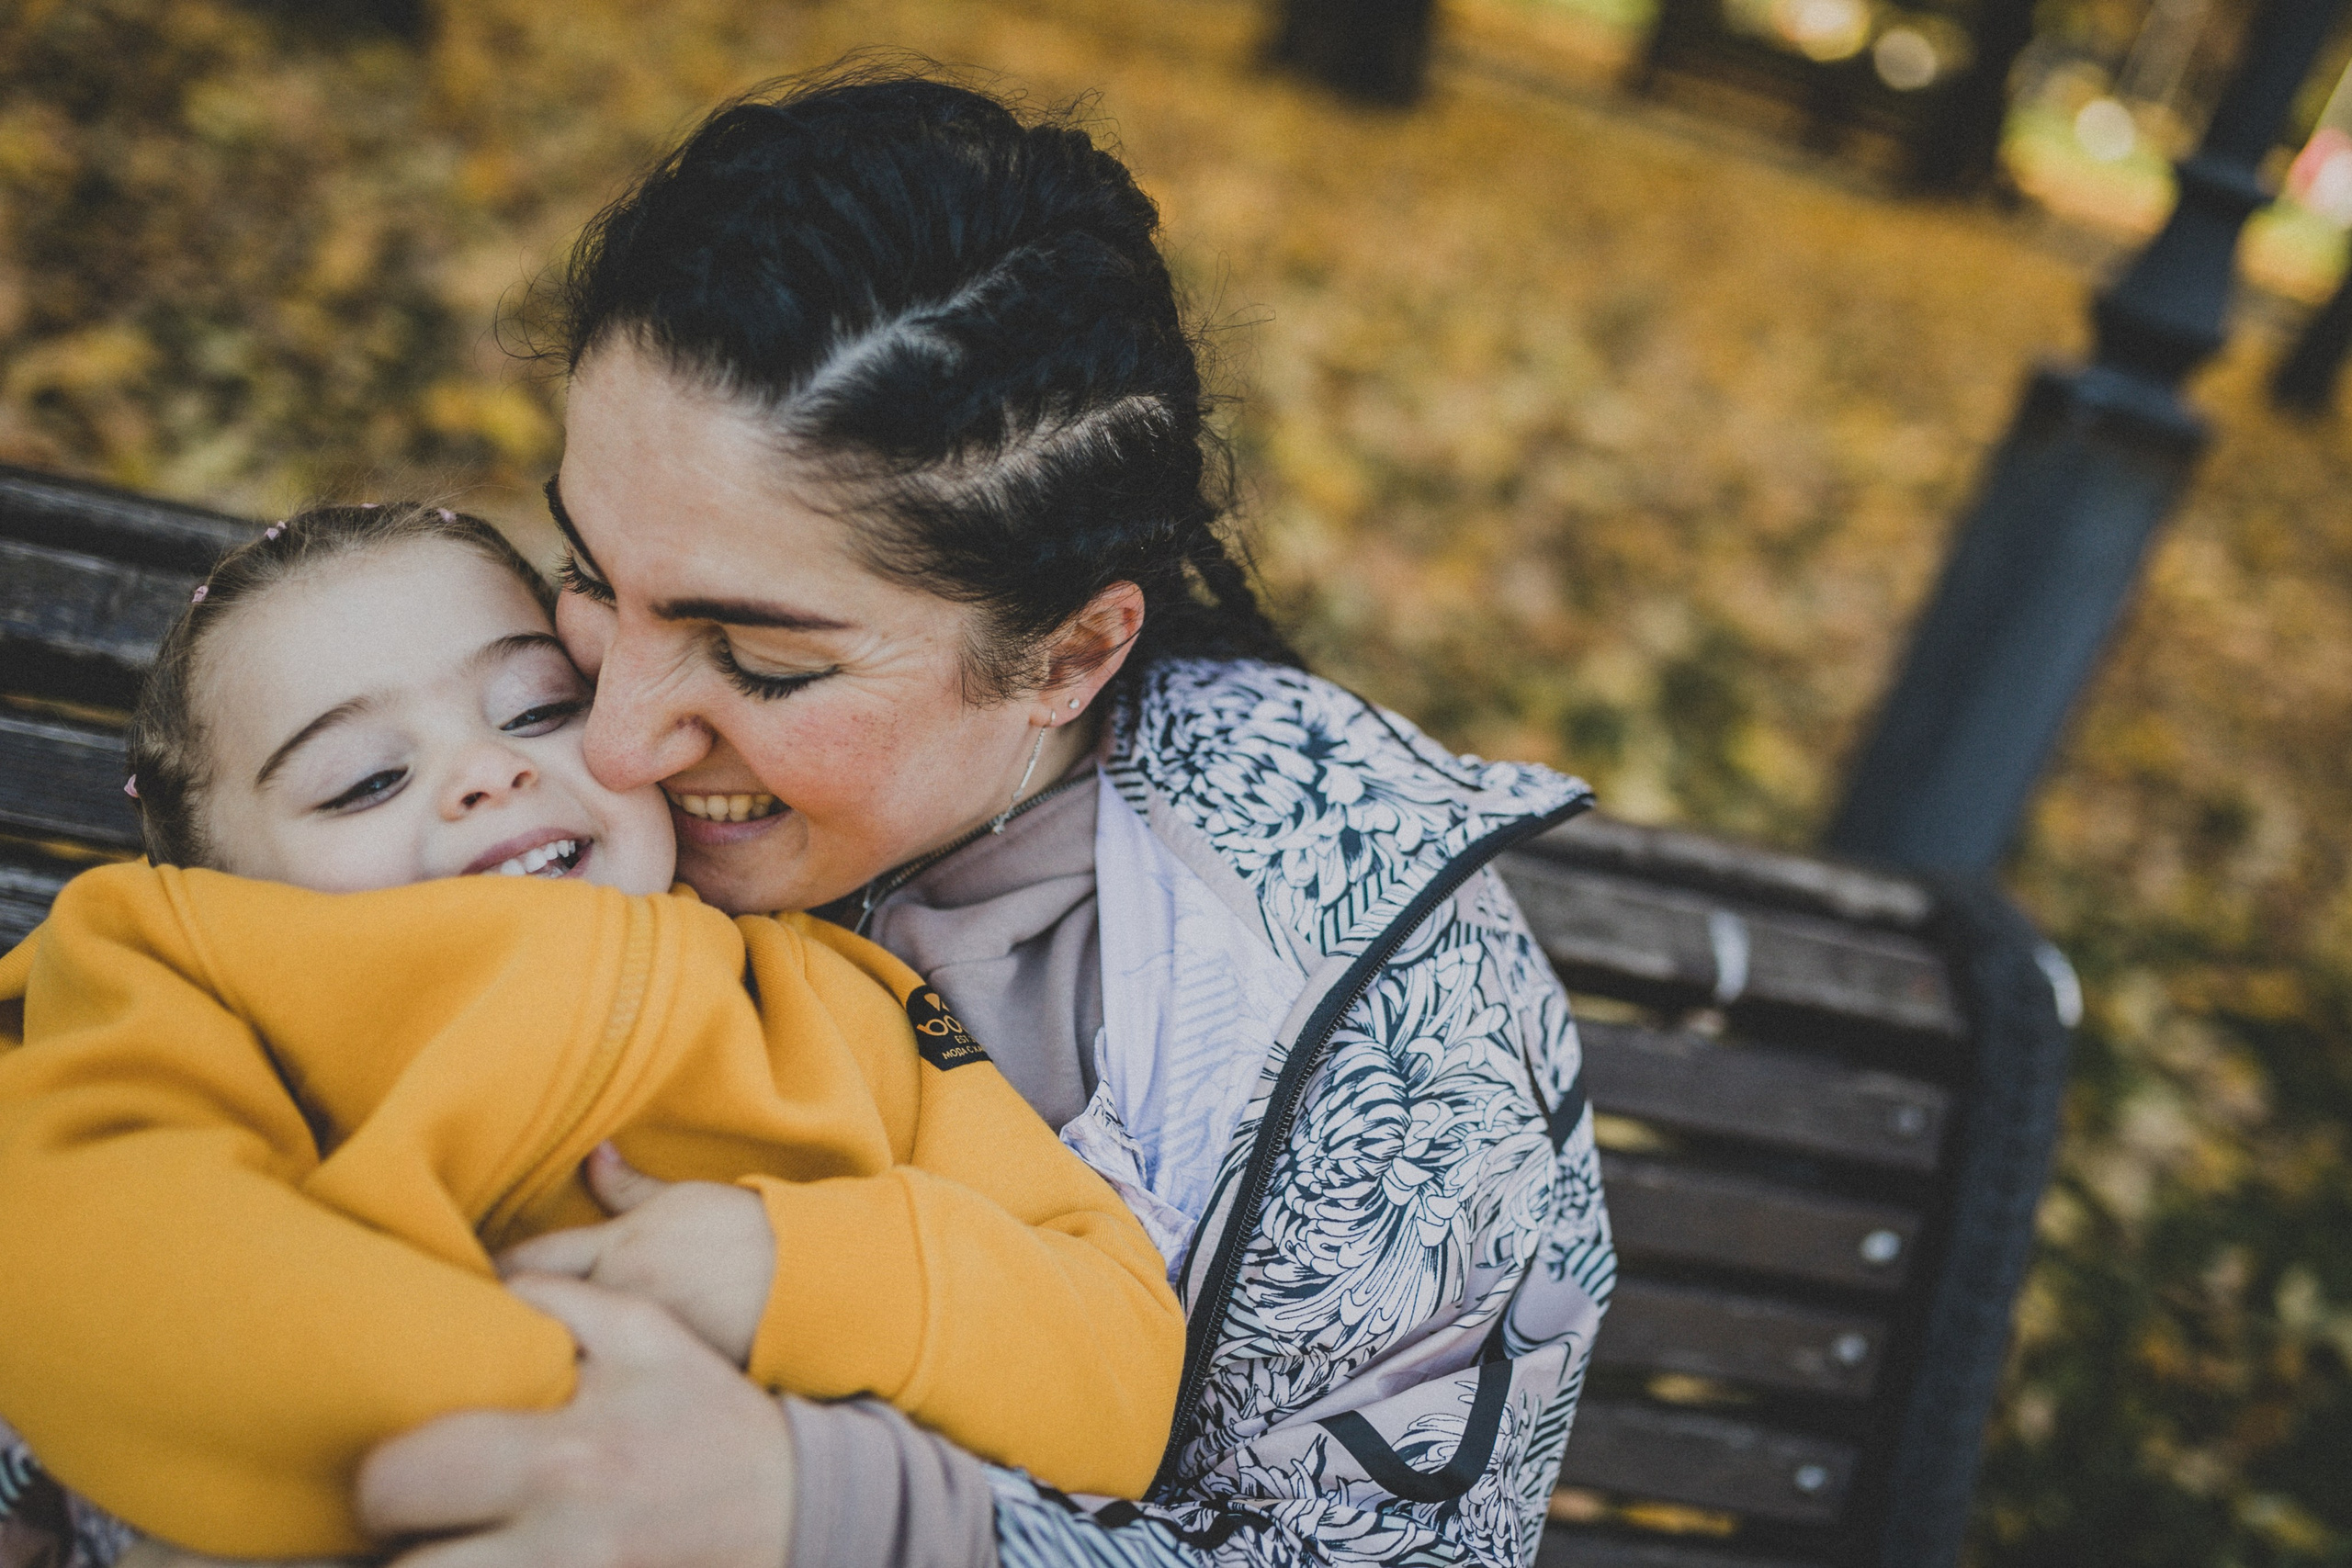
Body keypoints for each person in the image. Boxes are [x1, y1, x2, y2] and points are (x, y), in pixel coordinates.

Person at [75, 66, 1612, 1568]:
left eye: (762, 659)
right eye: (596, 577)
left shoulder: (1398, 1033)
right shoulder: (479, 792)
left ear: (1070, 654)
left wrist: (842, 1515)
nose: (611, 737)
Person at [0, 503, 1181, 1561]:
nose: (485, 770)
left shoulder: (842, 999)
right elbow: (77, 1229)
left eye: (538, 708)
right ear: (209, 880)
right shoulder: (176, 965)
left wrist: (799, 1272)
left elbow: (1114, 1367)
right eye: (364, 780)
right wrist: (544, 1400)